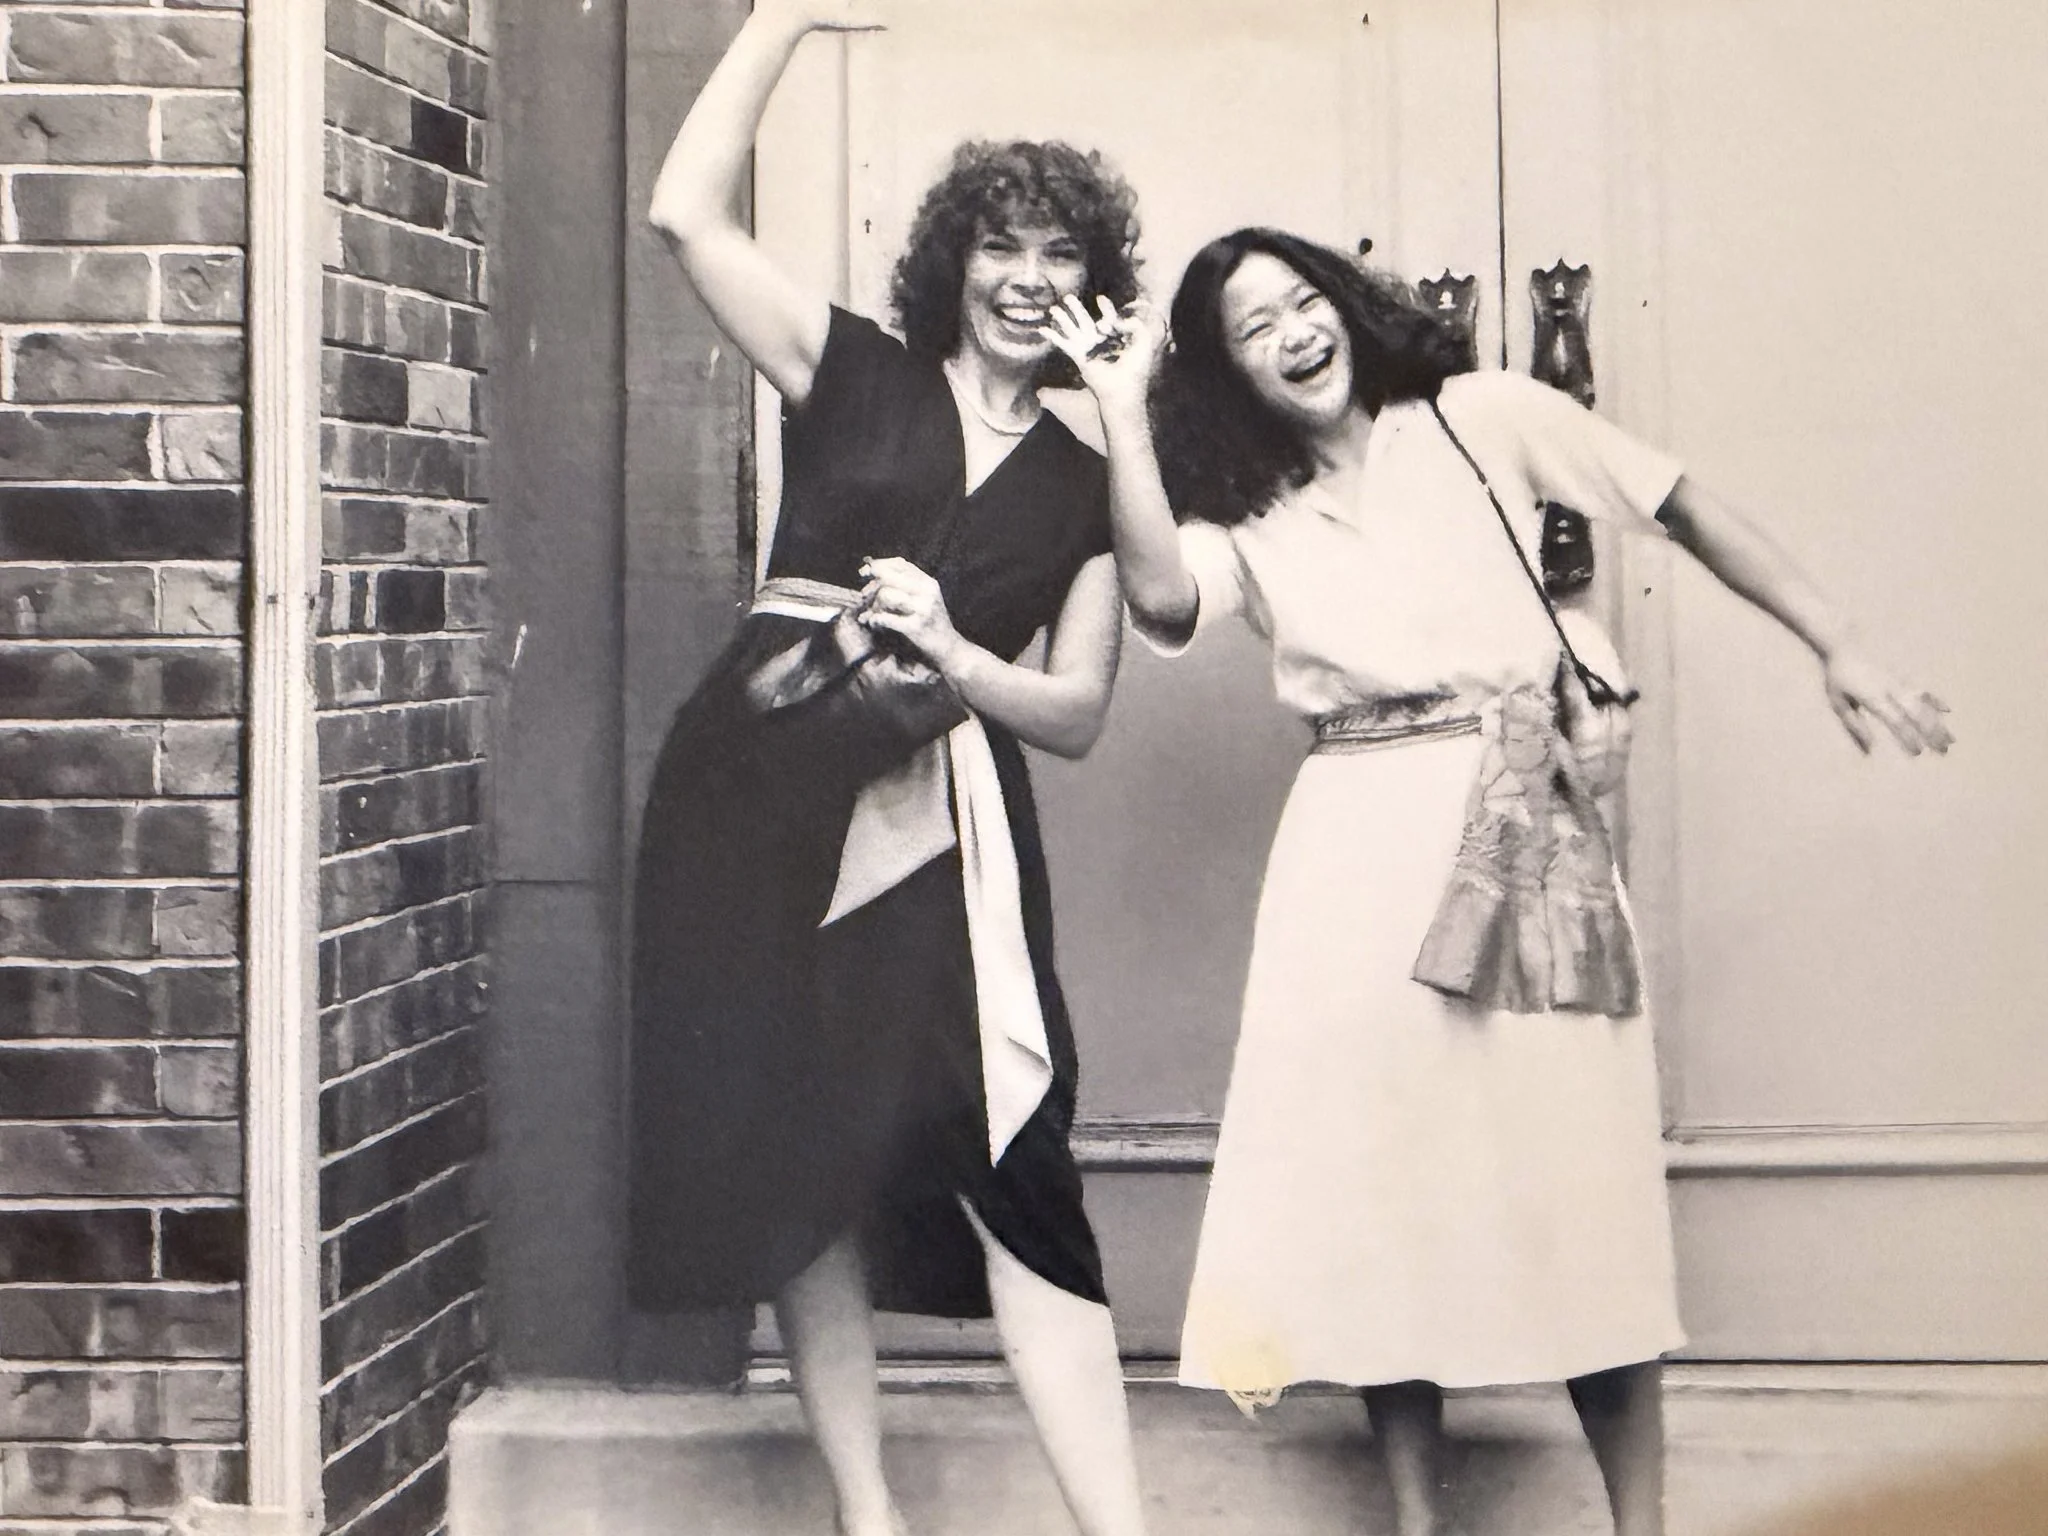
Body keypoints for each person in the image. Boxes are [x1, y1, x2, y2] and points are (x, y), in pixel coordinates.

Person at [1046, 228, 1952, 1536]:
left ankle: (1641, 1524)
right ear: (1228, 371)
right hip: (1350, 854)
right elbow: (1162, 594)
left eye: (1306, 301)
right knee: (1382, 1194)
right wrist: (1122, 410)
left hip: (1524, 831)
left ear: (1346, 305)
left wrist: (1838, 640)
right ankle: (1421, 1522)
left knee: (1581, 1187)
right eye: (1256, 328)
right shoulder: (1247, 508)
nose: (1295, 334)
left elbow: (1681, 503)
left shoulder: (1483, 418)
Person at [627, 5, 1150, 1534]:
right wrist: (783, 16)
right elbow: (684, 212)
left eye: (1061, 252)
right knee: (798, 1153)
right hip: (755, 796)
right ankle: (871, 1515)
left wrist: (962, 652)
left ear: (1095, 283)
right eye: (1001, 244)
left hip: (944, 828)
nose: (1029, 277)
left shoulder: (1089, 482)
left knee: (1017, 1159)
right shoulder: (853, 369)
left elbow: (1080, 710)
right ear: (953, 263)